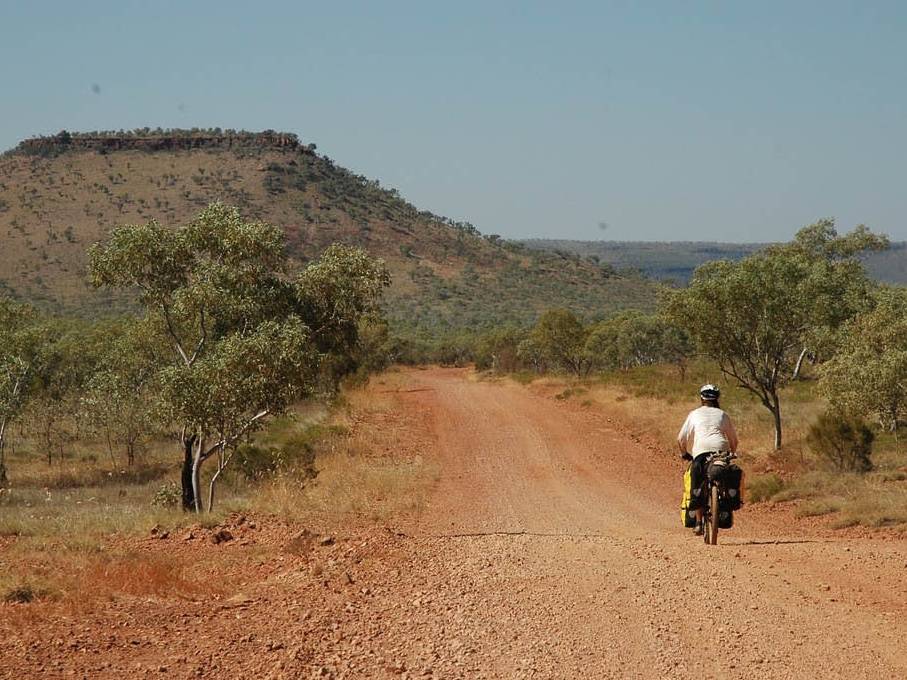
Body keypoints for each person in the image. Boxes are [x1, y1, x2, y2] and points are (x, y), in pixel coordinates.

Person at [677, 384, 738, 535]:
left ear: (701, 398)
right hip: (721, 450)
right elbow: (734, 441)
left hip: (701, 451)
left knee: (697, 484)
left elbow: (681, 439)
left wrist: (684, 453)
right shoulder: (723, 415)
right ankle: (723, 504)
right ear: (717, 398)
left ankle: (698, 523)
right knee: (724, 475)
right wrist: (730, 453)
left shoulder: (694, 414)